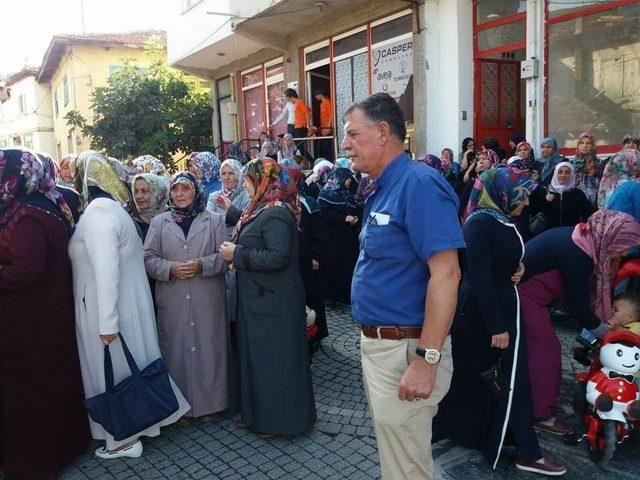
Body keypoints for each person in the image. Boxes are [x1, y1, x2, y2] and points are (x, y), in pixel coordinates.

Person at [343, 93, 464, 480]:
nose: (345, 145)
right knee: (401, 460)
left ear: (382, 133)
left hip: (406, 351)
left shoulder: (418, 184)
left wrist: (426, 360)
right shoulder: (383, 186)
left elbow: (447, 274)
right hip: (386, 349)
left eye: (352, 134)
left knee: (407, 469)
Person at [434, 167, 566, 476]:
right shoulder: (480, 223)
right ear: (503, 193)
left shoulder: (499, 219)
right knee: (510, 381)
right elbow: (478, 276)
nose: (527, 203)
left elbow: (503, 262)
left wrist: (521, 269)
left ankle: (492, 434)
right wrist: (497, 326)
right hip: (485, 316)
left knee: (493, 378)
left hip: (498, 310)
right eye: (522, 196)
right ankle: (527, 451)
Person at [69, 151, 190, 459]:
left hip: (107, 310)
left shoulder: (98, 214)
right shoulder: (110, 210)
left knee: (116, 373)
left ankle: (124, 439)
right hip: (121, 306)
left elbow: (107, 269)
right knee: (130, 369)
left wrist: (106, 323)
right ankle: (140, 426)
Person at [0, 148, 90, 480]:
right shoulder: (44, 204)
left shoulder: (28, 215)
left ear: (15, 176)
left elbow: (26, 270)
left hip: (32, 320)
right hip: (45, 315)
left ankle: (37, 462)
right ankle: (64, 446)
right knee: (52, 383)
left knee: (33, 390)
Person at [518, 209, 640, 434]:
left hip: (532, 298)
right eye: (624, 245)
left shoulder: (583, 241)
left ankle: (536, 403)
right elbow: (578, 307)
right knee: (547, 350)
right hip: (524, 297)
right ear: (612, 236)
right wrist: (608, 334)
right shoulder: (579, 253)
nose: (624, 252)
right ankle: (541, 414)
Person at [218, 157, 316, 438]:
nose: (245, 185)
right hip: (260, 300)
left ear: (265, 182)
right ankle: (256, 416)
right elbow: (255, 231)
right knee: (256, 360)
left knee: (274, 364)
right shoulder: (262, 209)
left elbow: (278, 256)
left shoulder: (276, 213)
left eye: (249, 180)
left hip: (273, 303)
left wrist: (236, 255)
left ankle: (278, 423)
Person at [144, 172, 229, 420]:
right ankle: (179, 406)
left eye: (185, 189)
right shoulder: (159, 223)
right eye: (175, 190)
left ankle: (211, 404)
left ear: (195, 191)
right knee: (176, 349)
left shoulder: (213, 220)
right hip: (173, 297)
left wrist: (202, 264)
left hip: (206, 298)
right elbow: (148, 259)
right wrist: (170, 268)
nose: (179, 195)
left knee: (209, 349)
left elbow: (225, 258)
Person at [285, 163, 328, 346]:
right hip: (296, 259)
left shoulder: (307, 202)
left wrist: (315, 255)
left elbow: (317, 233)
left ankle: (315, 334)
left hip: (308, 259)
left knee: (311, 297)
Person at [317, 167, 361, 304]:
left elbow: (358, 207)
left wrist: (356, 218)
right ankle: (332, 296)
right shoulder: (325, 194)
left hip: (349, 237)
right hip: (332, 237)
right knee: (334, 265)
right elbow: (324, 214)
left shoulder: (348, 193)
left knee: (348, 266)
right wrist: (343, 218)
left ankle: (345, 296)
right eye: (347, 178)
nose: (349, 181)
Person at [543, 162, 594, 229]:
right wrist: (545, 201)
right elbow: (538, 212)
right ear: (555, 174)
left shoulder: (578, 193)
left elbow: (589, 213)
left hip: (571, 233)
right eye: (560, 172)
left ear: (572, 175)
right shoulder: (547, 191)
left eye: (567, 173)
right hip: (550, 233)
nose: (563, 175)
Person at [207, 159, 251, 236]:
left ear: (238, 175)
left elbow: (247, 222)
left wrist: (230, 208)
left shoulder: (248, 195)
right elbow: (208, 221)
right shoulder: (214, 196)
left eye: (231, 173)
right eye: (223, 174)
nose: (226, 177)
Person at [270, 88, 311, 156]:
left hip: (299, 126)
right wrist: (274, 124)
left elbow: (307, 113)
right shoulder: (288, 104)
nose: (287, 100)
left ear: (291, 96)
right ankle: (294, 161)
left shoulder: (299, 102)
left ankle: (309, 161)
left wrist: (308, 125)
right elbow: (283, 114)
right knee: (291, 145)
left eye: (288, 98)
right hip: (290, 126)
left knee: (298, 145)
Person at [131, 173, 170, 241]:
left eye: (144, 191)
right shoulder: (132, 219)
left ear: (158, 193)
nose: (138, 196)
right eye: (136, 191)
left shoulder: (173, 218)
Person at [458, 148, 496, 217]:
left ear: (492, 161)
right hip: (474, 217)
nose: (481, 161)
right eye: (479, 159)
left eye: (484, 158)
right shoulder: (472, 181)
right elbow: (464, 202)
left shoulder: (498, 180)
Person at [571, 132, 606, 206]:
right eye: (581, 143)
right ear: (578, 145)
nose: (584, 145)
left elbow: (604, 182)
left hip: (595, 200)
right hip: (576, 199)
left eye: (588, 143)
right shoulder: (572, 163)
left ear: (592, 145)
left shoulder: (600, 163)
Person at [314, 89, 334, 160]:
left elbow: (331, 115)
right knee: (324, 146)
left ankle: (330, 160)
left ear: (320, 94)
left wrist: (328, 127)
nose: (316, 97)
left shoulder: (327, 102)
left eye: (316, 95)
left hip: (327, 128)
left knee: (328, 146)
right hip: (323, 128)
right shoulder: (321, 104)